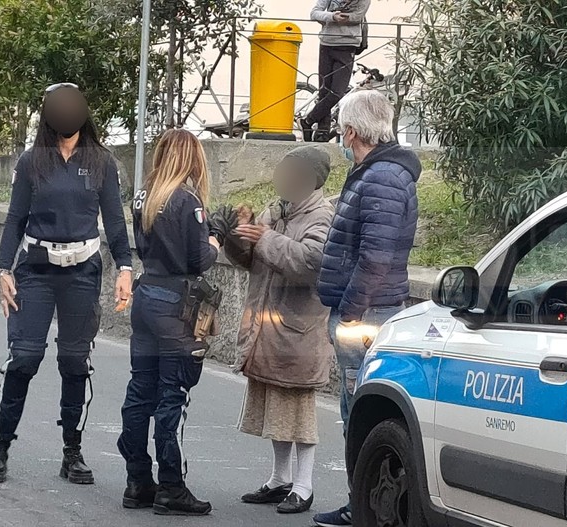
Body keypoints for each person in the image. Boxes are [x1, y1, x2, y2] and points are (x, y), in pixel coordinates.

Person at [0, 83, 133, 485]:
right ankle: (0, 449)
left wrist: (125, 268)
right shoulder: (33, 160)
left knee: (74, 362)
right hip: (36, 271)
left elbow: (115, 221)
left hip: (82, 273)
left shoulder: (102, 161)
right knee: (23, 359)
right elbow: (15, 218)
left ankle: (73, 452)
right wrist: (3, 271)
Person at [314, 90, 421, 526]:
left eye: (341, 129)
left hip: (367, 315)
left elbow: (375, 256)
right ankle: (364, 503)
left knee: (358, 412)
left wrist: (352, 312)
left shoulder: (380, 178)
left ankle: (363, 505)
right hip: (368, 310)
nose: (340, 137)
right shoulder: (380, 174)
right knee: (354, 409)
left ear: (352, 131)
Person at [216, 146, 334, 515]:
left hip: (300, 329)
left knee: (298, 410)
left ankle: (304, 485)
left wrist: (264, 236)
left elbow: (308, 263)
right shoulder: (277, 209)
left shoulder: (322, 216)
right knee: (273, 408)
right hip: (268, 327)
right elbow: (252, 260)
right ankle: (280, 479)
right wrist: (239, 237)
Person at [117, 129, 223, 516]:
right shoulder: (188, 199)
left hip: (146, 297)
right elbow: (198, 260)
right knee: (171, 396)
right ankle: (172, 487)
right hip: (175, 304)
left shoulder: (145, 195)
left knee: (139, 391)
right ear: (193, 159)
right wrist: (216, 240)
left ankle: (137, 481)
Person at [301, 0, 371, 142]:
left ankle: (308, 121)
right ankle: (322, 133)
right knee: (324, 91)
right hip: (326, 44)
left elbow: (358, 16)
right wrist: (332, 17)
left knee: (337, 92)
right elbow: (314, 13)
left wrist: (343, 18)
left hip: (348, 45)